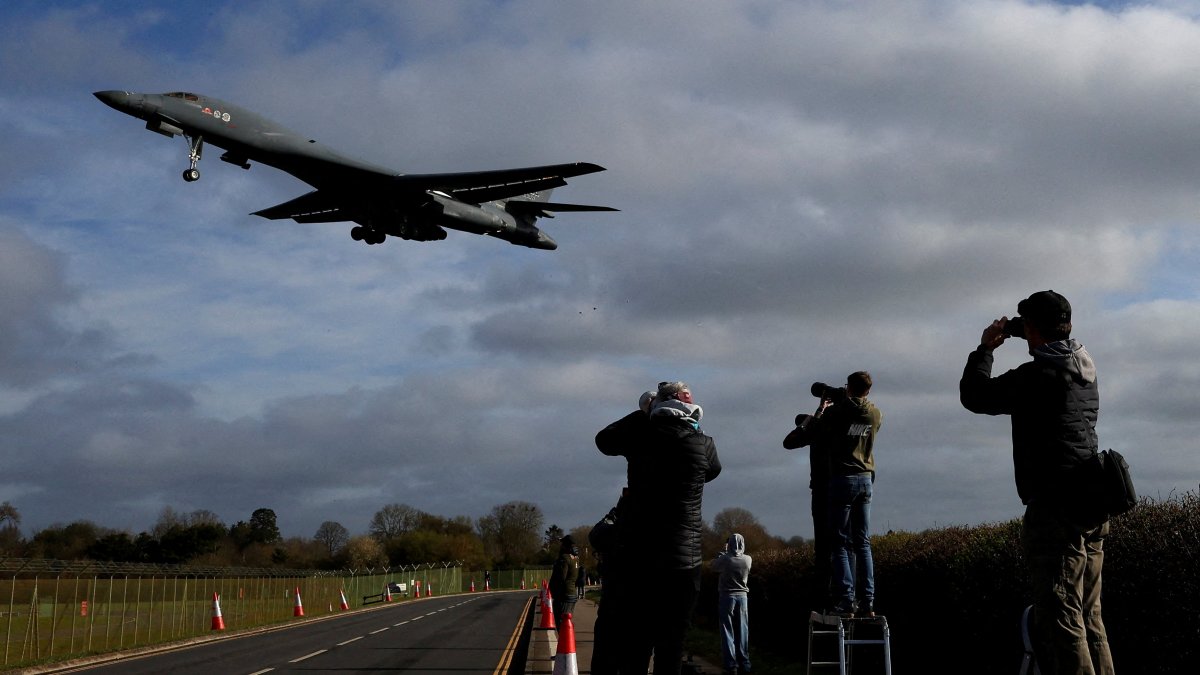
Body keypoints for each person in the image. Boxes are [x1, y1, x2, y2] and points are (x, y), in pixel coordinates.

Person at [960, 290, 1114, 674]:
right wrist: (1024, 333)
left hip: (1055, 511)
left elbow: (976, 396)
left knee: (1062, 620)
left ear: (1032, 329)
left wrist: (985, 349)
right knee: (1090, 617)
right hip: (1091, 502)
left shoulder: (1038, 376)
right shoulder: (1083, 369)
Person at [596, 381, 722, 675]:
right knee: (672, 646)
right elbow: (713, 471)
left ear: (659, 406)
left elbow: (603, 440)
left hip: (642, 558)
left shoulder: (640, 435)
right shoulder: (704, 443)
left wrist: (643, 413)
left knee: (638, 643)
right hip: (684, 561)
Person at [818, 372, 882, 617]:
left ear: (849, 388)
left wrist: (826, 405)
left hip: (843, 478)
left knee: (840, 542)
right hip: (866, 477)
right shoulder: (875, 414)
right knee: (863, 542)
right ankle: (868, 601)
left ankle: (846, 600)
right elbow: (861, 417)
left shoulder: (838, 413)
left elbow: (822, 429)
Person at [783, 394, 836, 609]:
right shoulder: (836, 430)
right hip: (841, 488)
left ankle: (824, 595)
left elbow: (789, 442)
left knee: (823, 546)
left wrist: (813, 417)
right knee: (845, 544)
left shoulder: (815, 431)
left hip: (822, 491)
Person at [712, 533, 753, 675]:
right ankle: (745, 664)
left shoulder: (724, 559)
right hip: (743, 598)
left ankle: (731, 665)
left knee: (727, 631)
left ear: (729, 544)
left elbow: (714, 566)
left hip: (726, 597)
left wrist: (722, 553)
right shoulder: (748, 559)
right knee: (743, 631)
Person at [550, 534, 580, 630]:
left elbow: (561, 577)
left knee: (561, 623)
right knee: (567, 620)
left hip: (564, 595)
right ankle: (567, 643)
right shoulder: (576, 558)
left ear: (565, 545)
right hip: (572, 593)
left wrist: (553, 589)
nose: (561, 545)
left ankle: (565, 643)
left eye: (562, 543)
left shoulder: (564, 558)